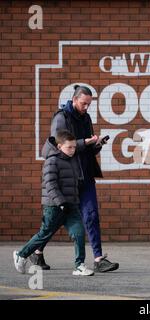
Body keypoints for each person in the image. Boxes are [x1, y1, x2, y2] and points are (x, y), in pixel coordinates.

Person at [31, 85, 119, 273]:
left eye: (89, 104)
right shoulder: (61, 118)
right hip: (67, 175)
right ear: (74, 99)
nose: (86, 107)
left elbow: (86, 147)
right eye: (83, 103)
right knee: (56, 218)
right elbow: (59, 146)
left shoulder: (86, 118)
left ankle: (98, 259)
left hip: (85, 172)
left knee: (91, 214)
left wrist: (96, 144)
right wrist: (83, 143)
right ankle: (36, 251)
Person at [13, 130, 94, 276]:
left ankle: (79, 265)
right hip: (54, 206)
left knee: (79, 233)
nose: (72, 150)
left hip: (71, 205)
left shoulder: (73, 160)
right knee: (44, 234)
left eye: (74, 147)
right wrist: (60, 202)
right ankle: (22, 254)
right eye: (69, 147)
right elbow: (50, 184)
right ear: (59, 146)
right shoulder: (52, 161)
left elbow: (74, 182)